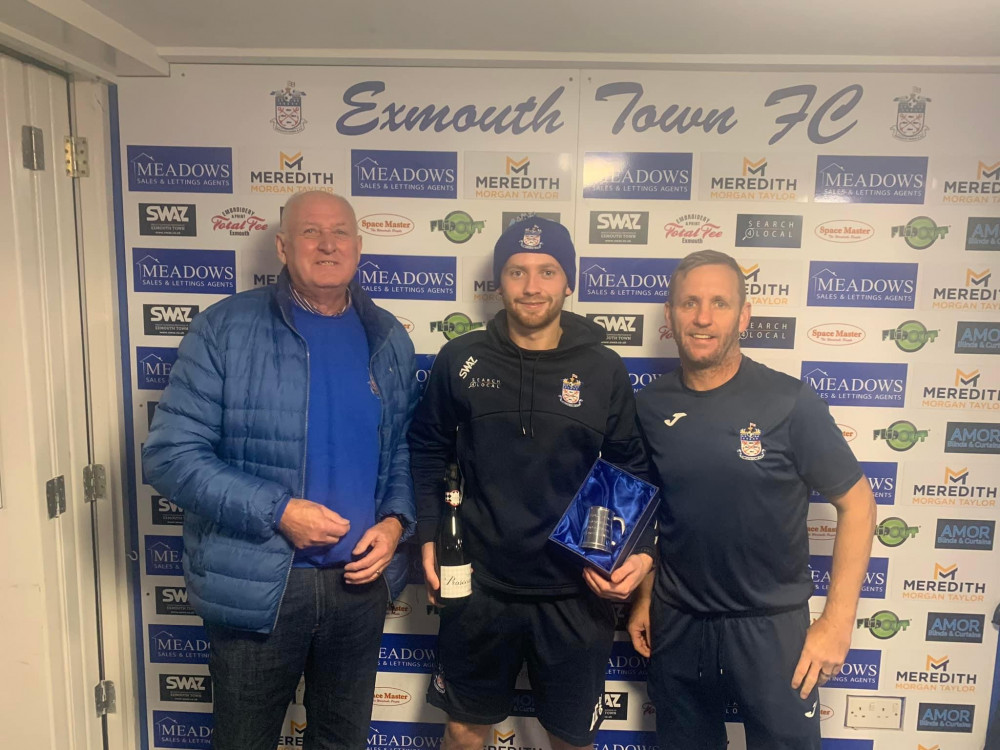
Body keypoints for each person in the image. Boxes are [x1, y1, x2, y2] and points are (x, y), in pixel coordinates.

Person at [142, 191, 418, 750]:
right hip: (259, 583)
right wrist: (280, 511)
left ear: (358, 247)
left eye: (339, 232)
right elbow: (169, 456)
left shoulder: (388, 336)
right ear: (283, 246)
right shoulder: (224, 329)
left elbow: (401, 453)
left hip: (357, 589)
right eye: (310, 232)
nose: (326, 245)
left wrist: (394, 523)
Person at [409, 217, 654, 750]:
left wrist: (629, 554)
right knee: (464, 729)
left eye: (547, 271)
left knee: (569, 738)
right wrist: (428, 532)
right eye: (517, 271)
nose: (532, 286)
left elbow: (629, 469)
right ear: (500, 282)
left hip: (574, 594)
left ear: (569, 282)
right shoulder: (462, 360)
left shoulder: (603, 368)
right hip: (477, 587)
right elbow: (427, 449)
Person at [628, 249, 877, 749]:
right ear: (670, 315)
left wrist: (836, 622)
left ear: (744, 315)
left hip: (772, 631)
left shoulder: (790, 401)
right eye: (689, 303)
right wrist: (644, 595)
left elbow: (860, 504)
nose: (702, 318)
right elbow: (654, 512)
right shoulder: (649, 406)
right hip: (678, 625)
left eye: (720, 303)